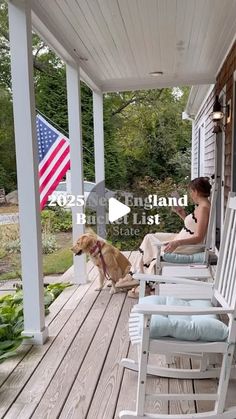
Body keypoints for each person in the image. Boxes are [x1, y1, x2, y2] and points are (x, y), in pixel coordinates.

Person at [115, 177, 211, 297]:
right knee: (149, 237)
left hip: (187, 245)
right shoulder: (201, 206)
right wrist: (181, 214)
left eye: (191, 191)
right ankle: (135, 274)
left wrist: (177, 243)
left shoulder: (203, 208)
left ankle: (143, 281)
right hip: (182, 237)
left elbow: (199, 237)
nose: (191, 194)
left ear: (196, 191)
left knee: (155, 247)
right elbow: (193, 226)